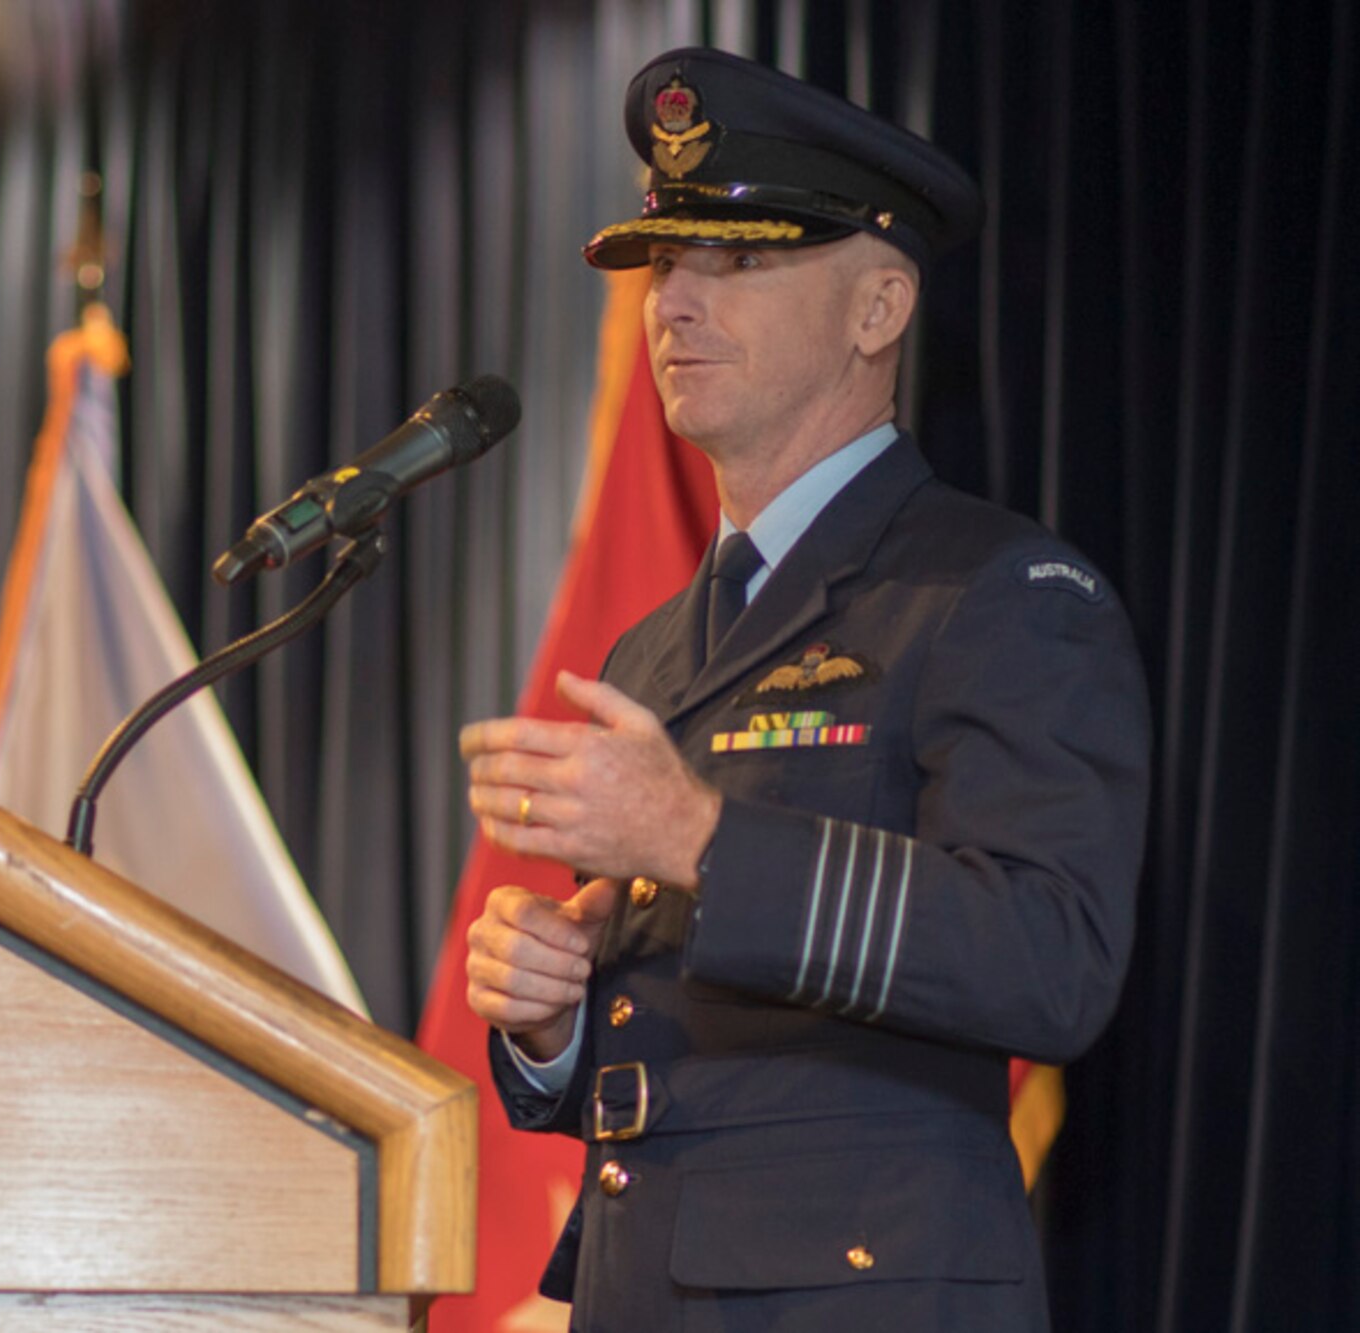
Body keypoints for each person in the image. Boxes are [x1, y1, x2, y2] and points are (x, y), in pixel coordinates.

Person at [458, 47, 1149, 1333]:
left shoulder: (999, 591)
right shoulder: (652, 651)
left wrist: (697, 837)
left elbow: (1051, 960)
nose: (673, 303)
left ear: (877, 308)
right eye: (666, 263)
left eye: (738, 263)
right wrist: (551, 1024)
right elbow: (683, 1038)